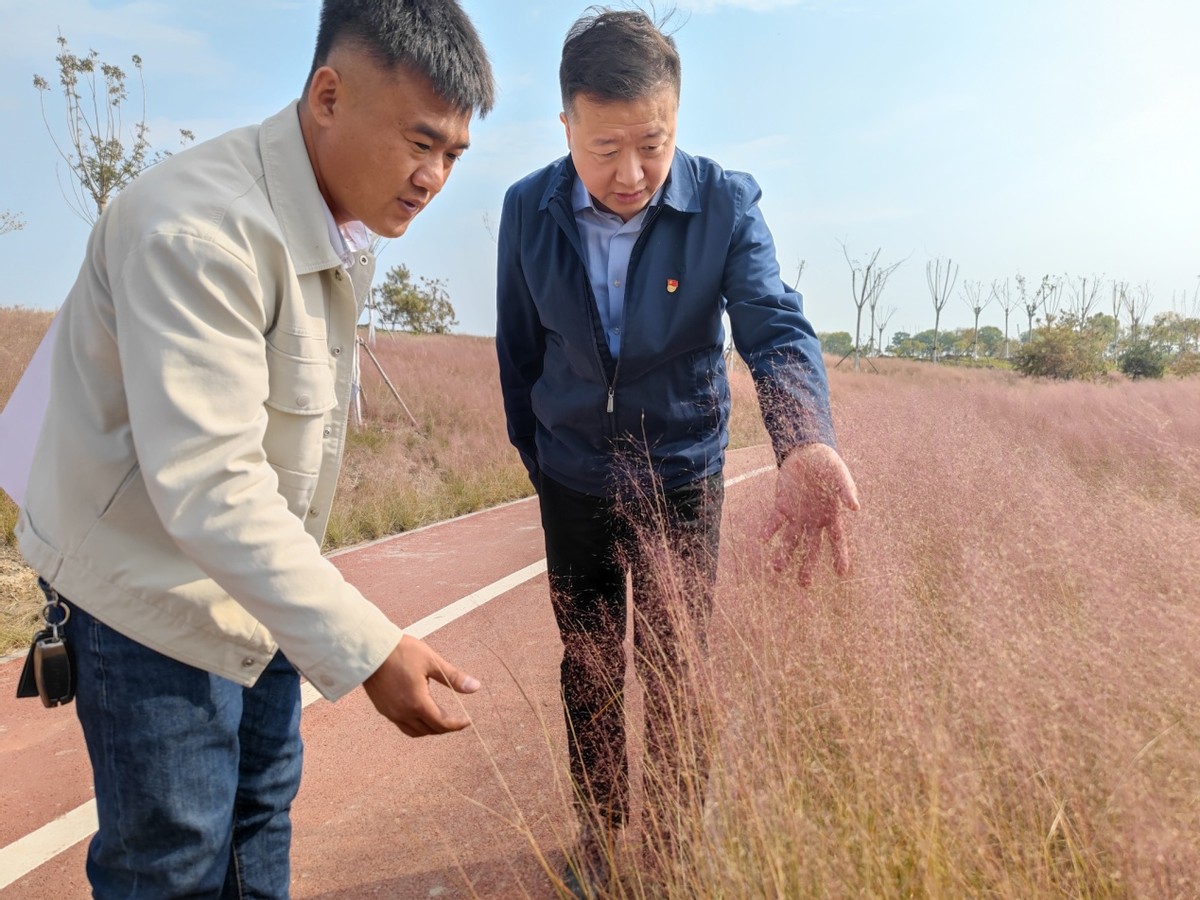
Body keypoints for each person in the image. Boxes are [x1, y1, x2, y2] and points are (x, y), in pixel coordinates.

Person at [16, 1, 494, 895]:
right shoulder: (199, 230)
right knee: (175, 853)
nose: (434, 177)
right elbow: (208, 484)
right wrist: (371, 649)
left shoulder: (342, 216)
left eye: (453, 156)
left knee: (259, 815)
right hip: (143, 584)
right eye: (420, 142)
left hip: (259, 578)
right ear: (327, 95)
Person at [495, 6, 859, 894]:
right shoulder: (526, 210)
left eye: (652, 144)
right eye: (605, 147)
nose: (631, 173)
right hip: (573, 478)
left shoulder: (726, 202)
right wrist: (543, 463)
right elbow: (519, 354)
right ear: (566, 126)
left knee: (677, 667)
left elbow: (774, 327)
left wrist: (803, 438)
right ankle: (599, 831)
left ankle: (671, 842)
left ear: (677, 119)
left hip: (682, 480)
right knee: (589, 666)